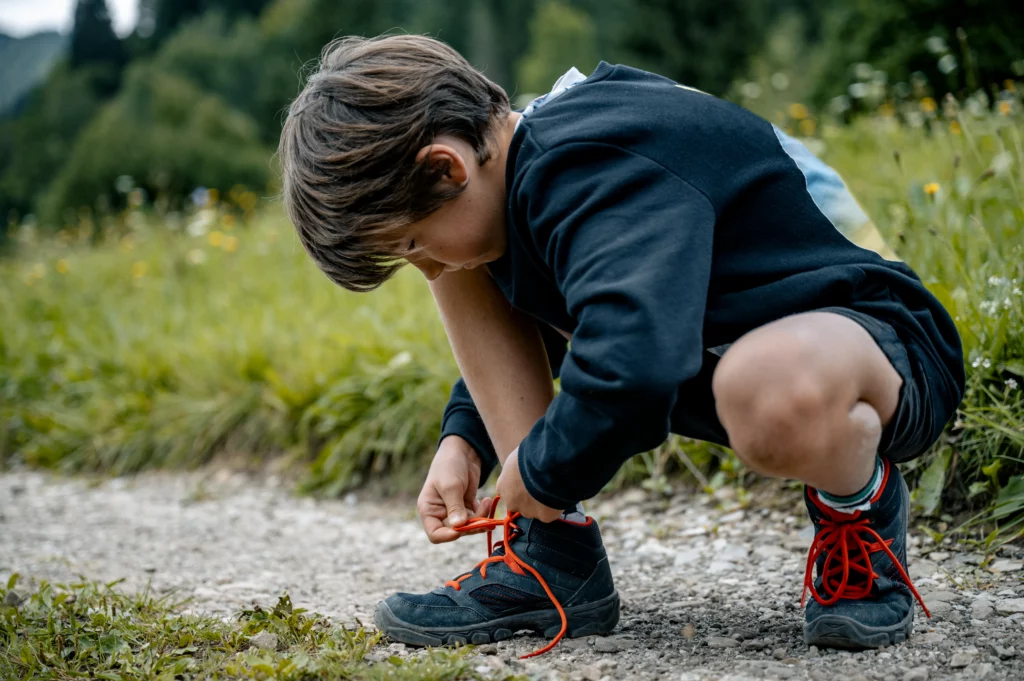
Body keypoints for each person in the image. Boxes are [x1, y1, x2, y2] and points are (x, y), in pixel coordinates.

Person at [277, 34, 965, 657]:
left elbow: (636, 365)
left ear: (448, 166)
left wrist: (542, 471)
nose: (423, 265)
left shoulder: (591, 158)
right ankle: (551, 554)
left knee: (764, 385)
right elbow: (577, 313)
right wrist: (469, 439)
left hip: (880, 347)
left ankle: (859, 509)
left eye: (410, 243)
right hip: (726, 353)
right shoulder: (524, 169)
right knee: (466, 266)